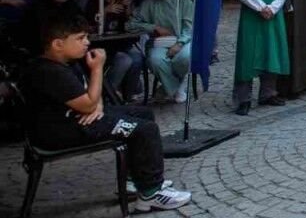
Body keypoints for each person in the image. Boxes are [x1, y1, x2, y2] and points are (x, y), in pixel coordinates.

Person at [22, 13, 191, 211]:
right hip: (61, 131)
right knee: (146, 129)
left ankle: (136, 180)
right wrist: (97, 69)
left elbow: (93, 94)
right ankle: (150, 193)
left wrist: (97, 106)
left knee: (143, 114)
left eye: (86, 37)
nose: (87, 42)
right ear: (58, 44)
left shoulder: (68, 61)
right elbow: (88, 103)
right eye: (80, 38)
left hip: (78, 118)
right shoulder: (49, 71)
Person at [128, 0, 194, 103]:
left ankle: (166, 88)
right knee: (155, 60)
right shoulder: (149, 3)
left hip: (183, 41)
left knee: (185, 57)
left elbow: (189, 27)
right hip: (159, 43)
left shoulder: (183, 1)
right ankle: (177, 87)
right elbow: (131, 24)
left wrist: (179, 44)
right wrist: (154, 27)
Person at [89, 0, 143, 100]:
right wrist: (104, 11)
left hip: (122, 41)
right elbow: (90, 25)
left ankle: (129, 94)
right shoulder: (95, 2)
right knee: (124, 60)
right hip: (102, 44)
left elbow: (132, 23)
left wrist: (129, 9)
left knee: (137, 57)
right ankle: (108, 94)